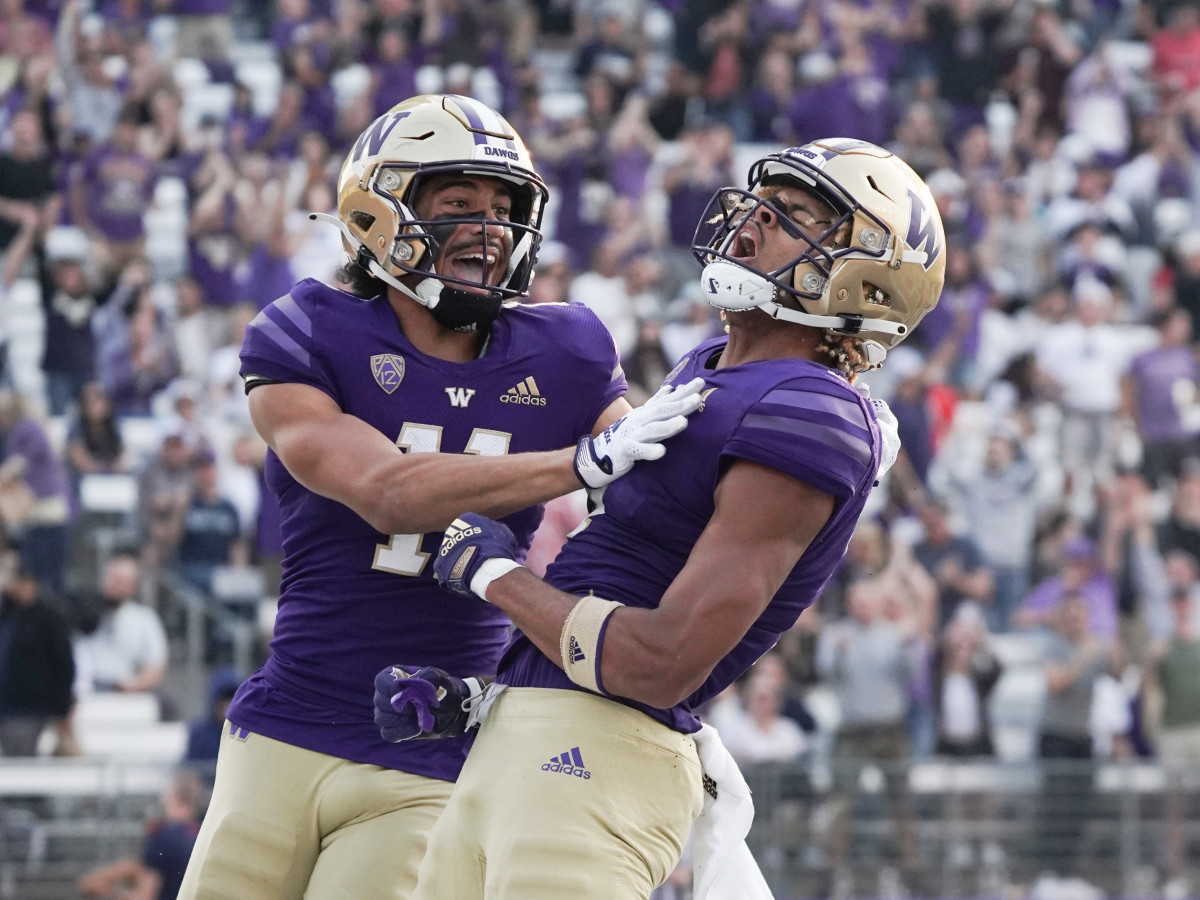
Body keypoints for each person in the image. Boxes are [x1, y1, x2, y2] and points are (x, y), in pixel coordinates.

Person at [177, 94, 702, 900]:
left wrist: (801, 406)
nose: (489, 229)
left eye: (503, 208)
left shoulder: (567, 349)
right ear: (376, 213)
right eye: (458, 204)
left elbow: (657, 483)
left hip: (435, 741)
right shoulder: (310, 331)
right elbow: (388, 491)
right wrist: (582, 460)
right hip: (282, 730)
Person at [391, 137, 946, 899]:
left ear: (861, 278)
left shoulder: (808, 410)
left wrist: (496, 576)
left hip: (596, 760)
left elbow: (660, 663)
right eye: (759, 202)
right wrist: (487, 695)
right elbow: (622, 576)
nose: (750, 222)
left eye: (789, 217)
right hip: (537, 744)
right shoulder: (711, 366)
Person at [78, 769, 204, 900]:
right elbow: (141, 866)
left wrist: (108, 893)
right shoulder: (200, 836)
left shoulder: (163, 836)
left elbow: (145, 895)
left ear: (174, 796)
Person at [0, 554, 75, 756]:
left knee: (21, 758)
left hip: (28, 710)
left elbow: (64, 666)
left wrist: (61, 710)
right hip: (6, 706)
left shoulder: (49, 618)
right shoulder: (8, 615)